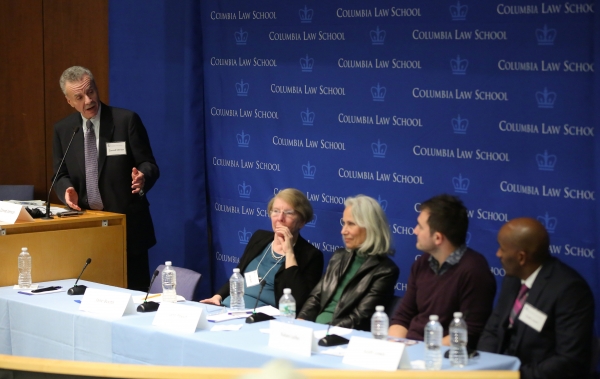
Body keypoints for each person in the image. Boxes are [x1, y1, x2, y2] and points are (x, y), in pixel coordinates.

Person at [53, 66, 159, 291]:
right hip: (88, 228)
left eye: (90, 92)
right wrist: (66, 190)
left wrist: (142, 178)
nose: (88, 100)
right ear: (69, 101)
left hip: (128, 228)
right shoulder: (64, 130)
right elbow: (59, 174)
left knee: (133, 296)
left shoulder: (125, 121)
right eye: (79, 97)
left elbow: (149, 164)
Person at [478, 218, 595, 379]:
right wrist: (486, 367)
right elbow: (493, 329)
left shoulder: (569, 291)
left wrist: (513, 376)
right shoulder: (513, 278)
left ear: (521, 258)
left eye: (502, 249)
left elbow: (569, 361)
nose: (498, 254)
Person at [389, 194, 496, 348]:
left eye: (420, 226)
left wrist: (424, 351)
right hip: (411, 350)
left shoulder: (474, 271)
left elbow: (468, 333)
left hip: (442, 357)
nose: (414, 231)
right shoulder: (422, 263)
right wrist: (393, 347)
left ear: (438, 238)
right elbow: (402, 317)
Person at [201, 188, 323, 311]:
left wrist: (289, 252)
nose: (280, 218)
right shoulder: (259, 238)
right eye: (275, 211)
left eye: (288, 213)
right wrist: (217, 297)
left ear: (301, 222)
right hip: (229, 308)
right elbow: (239, 274)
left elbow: (300, 301)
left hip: (264, 319)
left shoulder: (311, 256)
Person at [297, 195, 399, 331]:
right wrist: (301, 322)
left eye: (351, 224)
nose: (343, 231)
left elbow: (360, 317)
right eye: (344, 223)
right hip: (313, 330)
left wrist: (324, 331)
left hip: (341, 337)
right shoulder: (339, 256)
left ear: (370, 227)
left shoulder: (385, 271)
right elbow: (316, 297)